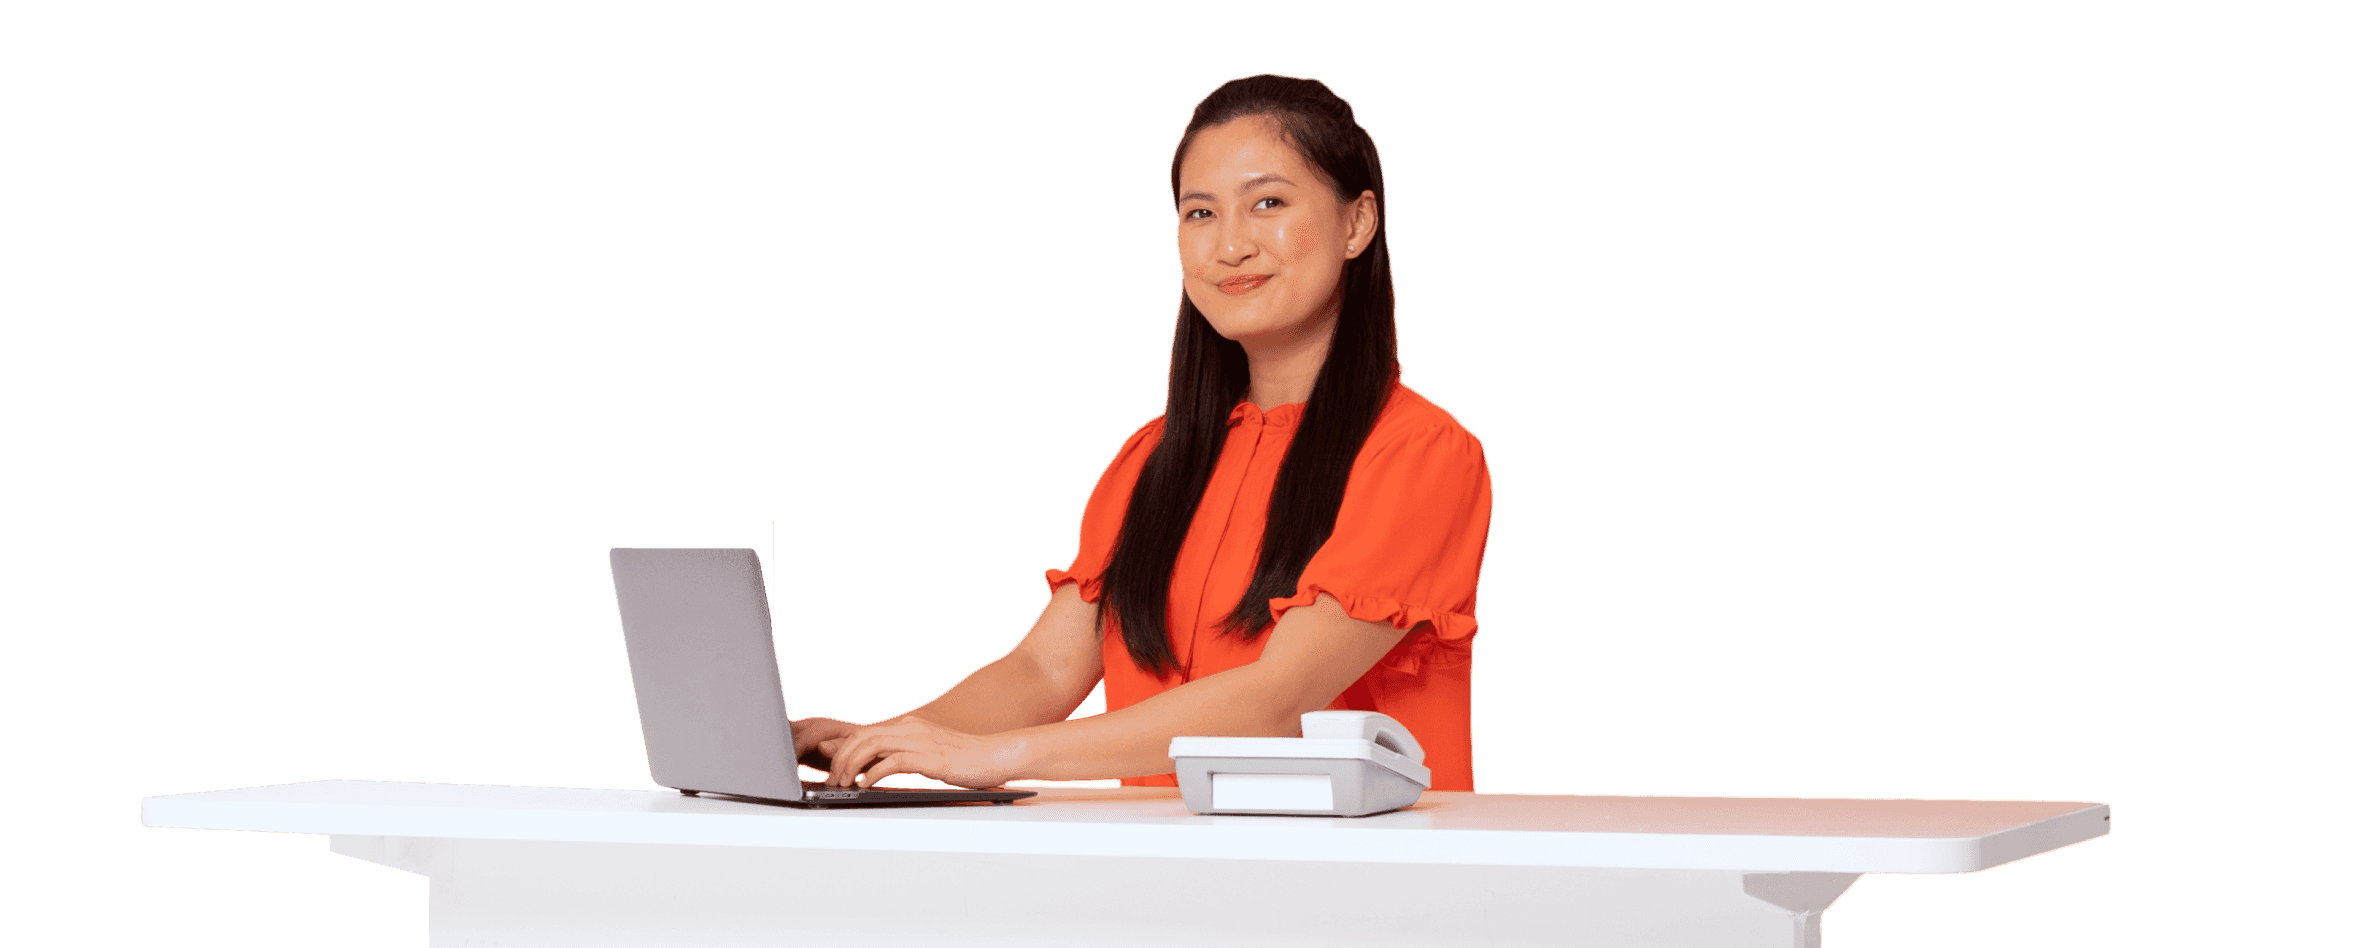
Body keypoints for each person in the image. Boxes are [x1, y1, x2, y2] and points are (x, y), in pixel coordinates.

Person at [794, 74, 1494, 792]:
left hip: (1348, 885)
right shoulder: (1153, 459)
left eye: (1268, 203)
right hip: (1155, 875)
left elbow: (1276, 701)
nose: (1229, 246)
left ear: (1358, 223)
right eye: (1199, 214)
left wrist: (995, 758)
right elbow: (1043, 670)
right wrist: (884, 741)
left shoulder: (1421, 455)